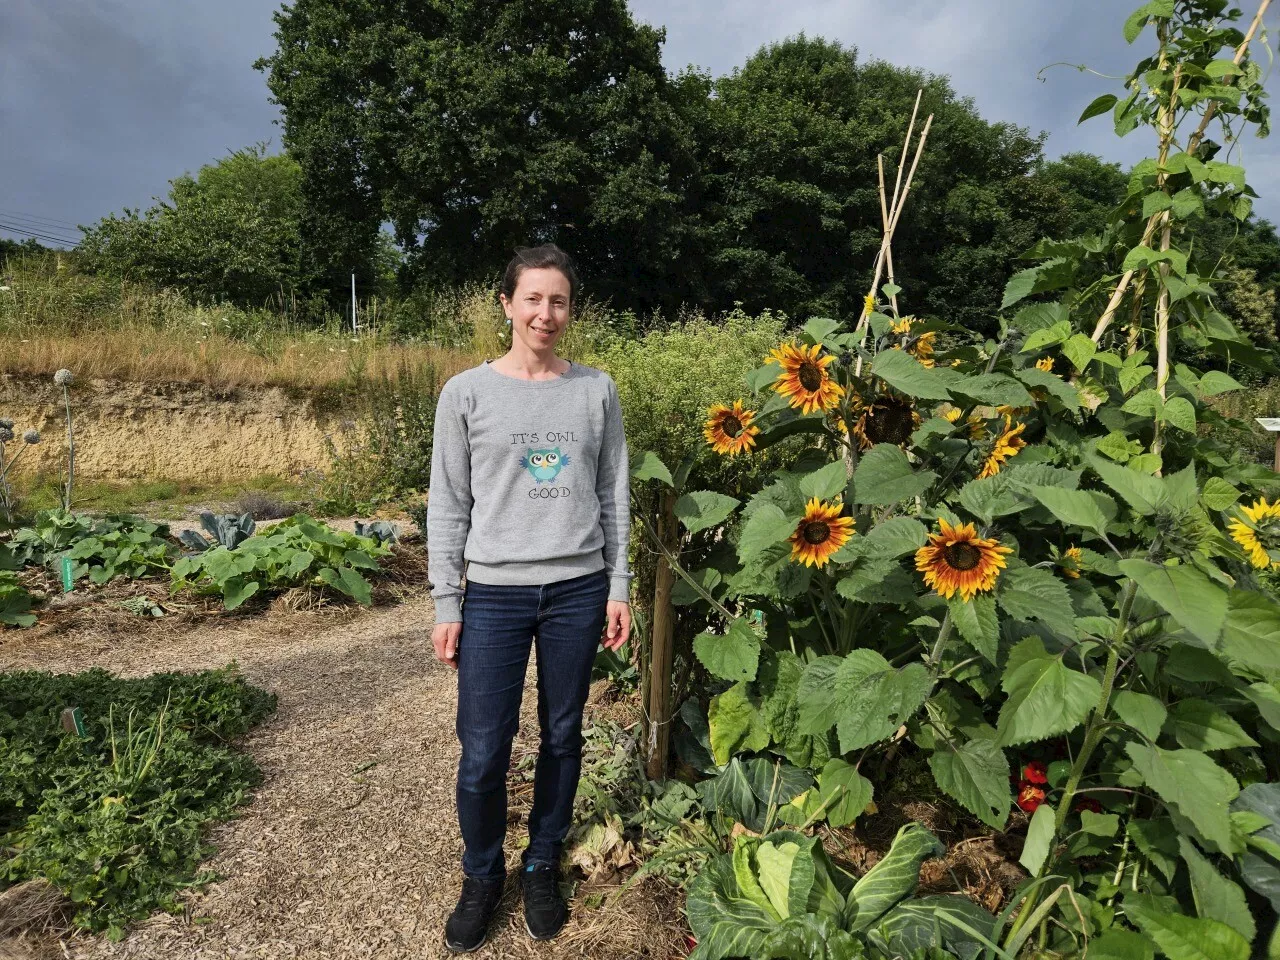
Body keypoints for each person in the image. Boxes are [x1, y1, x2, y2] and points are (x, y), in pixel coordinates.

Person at [426, 243, 633, 953]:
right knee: (483, 749)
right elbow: (448, 503)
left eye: (561, 301)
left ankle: (541, 861)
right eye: (534, 298)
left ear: (572, 310)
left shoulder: (594, 390)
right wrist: (446, 600)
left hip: (578, 588)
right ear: (507, 304)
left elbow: (613, 494)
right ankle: (482, 875)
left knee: (564, 734)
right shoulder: (467, 392)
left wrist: (618, 586)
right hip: (494, 594)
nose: (547, 313)